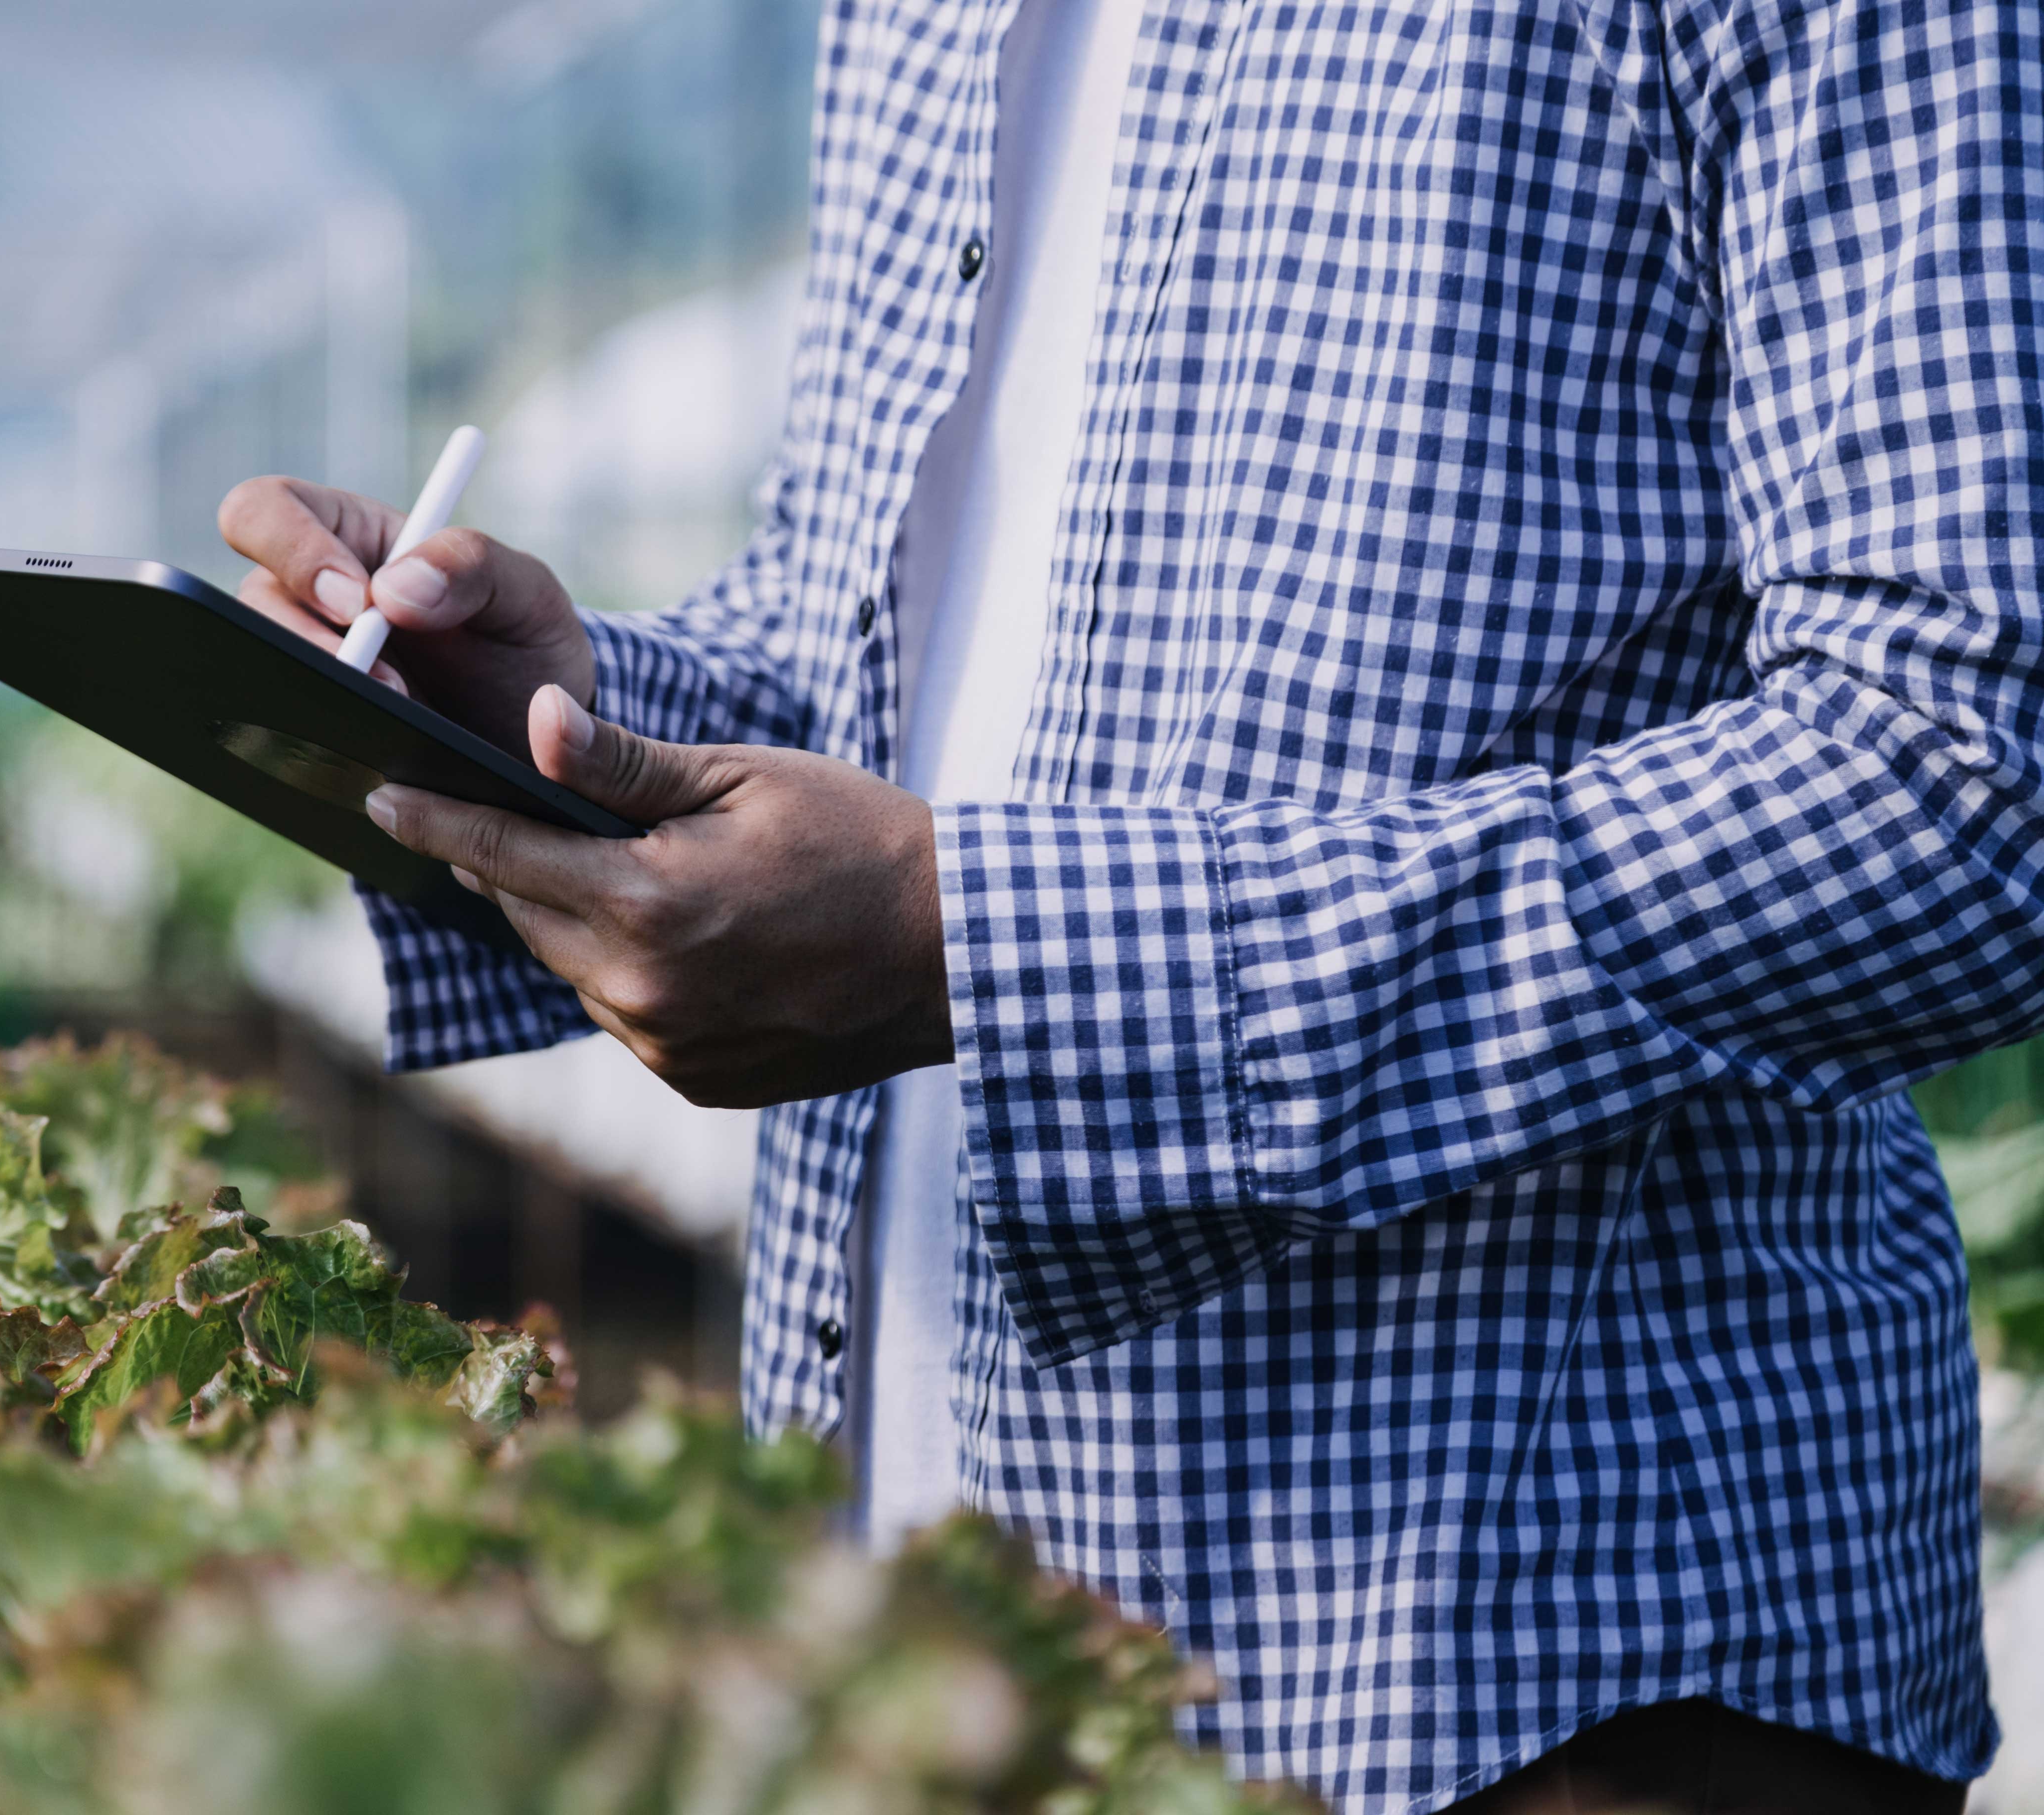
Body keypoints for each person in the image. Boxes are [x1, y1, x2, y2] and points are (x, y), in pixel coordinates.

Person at [215, 0, 2041, 1803]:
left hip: (1537, 1673)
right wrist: (560, 724)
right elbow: (883, 659)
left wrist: (986, 949)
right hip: (942, 1622)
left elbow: (1971, 770)